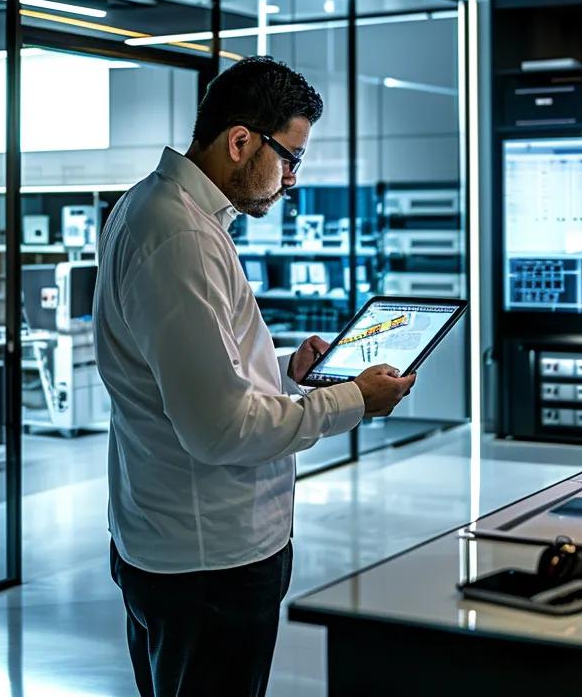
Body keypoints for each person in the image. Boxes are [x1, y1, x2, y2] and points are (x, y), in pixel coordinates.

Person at [94, 56, 414, 697]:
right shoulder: (180, 237)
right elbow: (219, 429)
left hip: (177, 544)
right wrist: (355, 399)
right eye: (290, 158)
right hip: (208, 560)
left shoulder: (156, 208)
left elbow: (194, 374)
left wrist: (285, 373)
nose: (291, 179)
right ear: (240, 141)